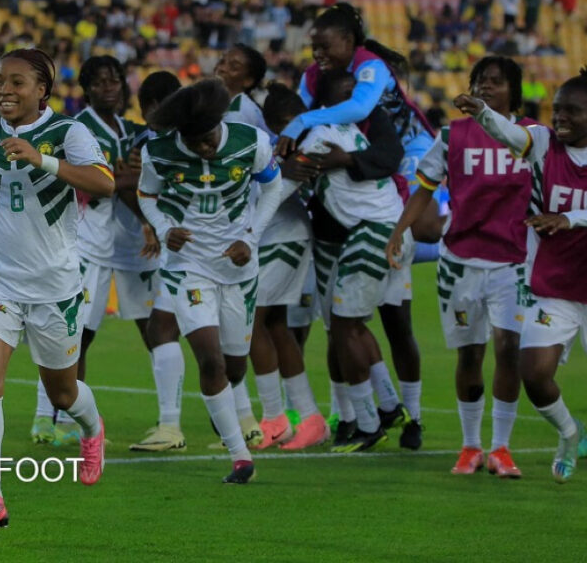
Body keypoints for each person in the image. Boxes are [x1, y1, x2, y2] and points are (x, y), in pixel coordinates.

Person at [387, 56, 536, 477]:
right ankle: (471, 445)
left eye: (496, 81)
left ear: (514, 90)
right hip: (461, 262)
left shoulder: (530, 138)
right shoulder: (453, 137)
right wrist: (400, 230)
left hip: (513, 261)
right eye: (480, 81)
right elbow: (425, 189)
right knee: (470, 354)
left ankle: (501, 448)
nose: (486, 87)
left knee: (509, 350)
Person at [0, 48, 110, 528]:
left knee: (61, 393)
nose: (4, 91)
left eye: (16, 82)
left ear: (42, 89)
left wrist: (44, 161)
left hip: (55, 286)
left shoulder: (68, 132)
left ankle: (92, 428)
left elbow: (103, 183)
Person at [138, 79, 282, 483]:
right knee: (210, 359)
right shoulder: (158, 153)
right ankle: (240, 458)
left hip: (238, 268)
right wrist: (166, 228)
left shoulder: (252, 143)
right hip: (188, 266)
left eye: (209, 138)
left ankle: (233, 419)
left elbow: (273, 188)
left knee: (235, 367)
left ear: (220, 123)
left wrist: (250, 238)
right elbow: (147, 196)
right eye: (195, 142)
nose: (204, 148)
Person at [452, 68, 587, 483]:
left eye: (572, 112)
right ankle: (568, 433)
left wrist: (570, 218)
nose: (560, 117)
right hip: (555, 285)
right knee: (534, 374)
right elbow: (514, 136)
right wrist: (484, 115)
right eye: (557, 109)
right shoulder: (545, 144)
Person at [273, 74, 414, 452]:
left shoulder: (319, 140)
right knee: (347, 325)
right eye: (348, 91)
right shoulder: (345, 129)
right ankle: (388, 406)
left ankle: (368, 424)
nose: (356, 97)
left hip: (376, 229)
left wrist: (248, 229)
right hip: (365, 229)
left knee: (344, 326)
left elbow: (282, 190)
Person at [30, 56, 156, 446]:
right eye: (100, 82)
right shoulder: (78, 128)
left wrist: (128, 180)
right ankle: (48, 418)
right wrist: (120, 179)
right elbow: (89, 181)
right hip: (87, 239)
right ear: (87, 88)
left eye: (115, 80)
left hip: (128, 241)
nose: (109, 88)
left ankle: (170, 417)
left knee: (152, 329)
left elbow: (132, 177)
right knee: (76, 333)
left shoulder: (129, 129)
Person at [216, 48, 328, 449]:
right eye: (222, 61)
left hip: (281, 230)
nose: (220, 67)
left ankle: (273, 417)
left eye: (232, 66)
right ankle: (311, 417)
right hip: (260, 232)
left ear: (248, 81)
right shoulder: (218, 108)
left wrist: (287, 167)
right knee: (276, 326)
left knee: (253, 322)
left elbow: (281, 154)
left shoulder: (246, 112)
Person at [121, 71, 191, 453]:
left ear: (148, 108)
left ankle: (172, 426)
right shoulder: (201, 132)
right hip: (208, 245)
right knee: (167, 328)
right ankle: (246, 423)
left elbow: (141, 189)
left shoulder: (156, 142)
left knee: (167, 329)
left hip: (188, 247)